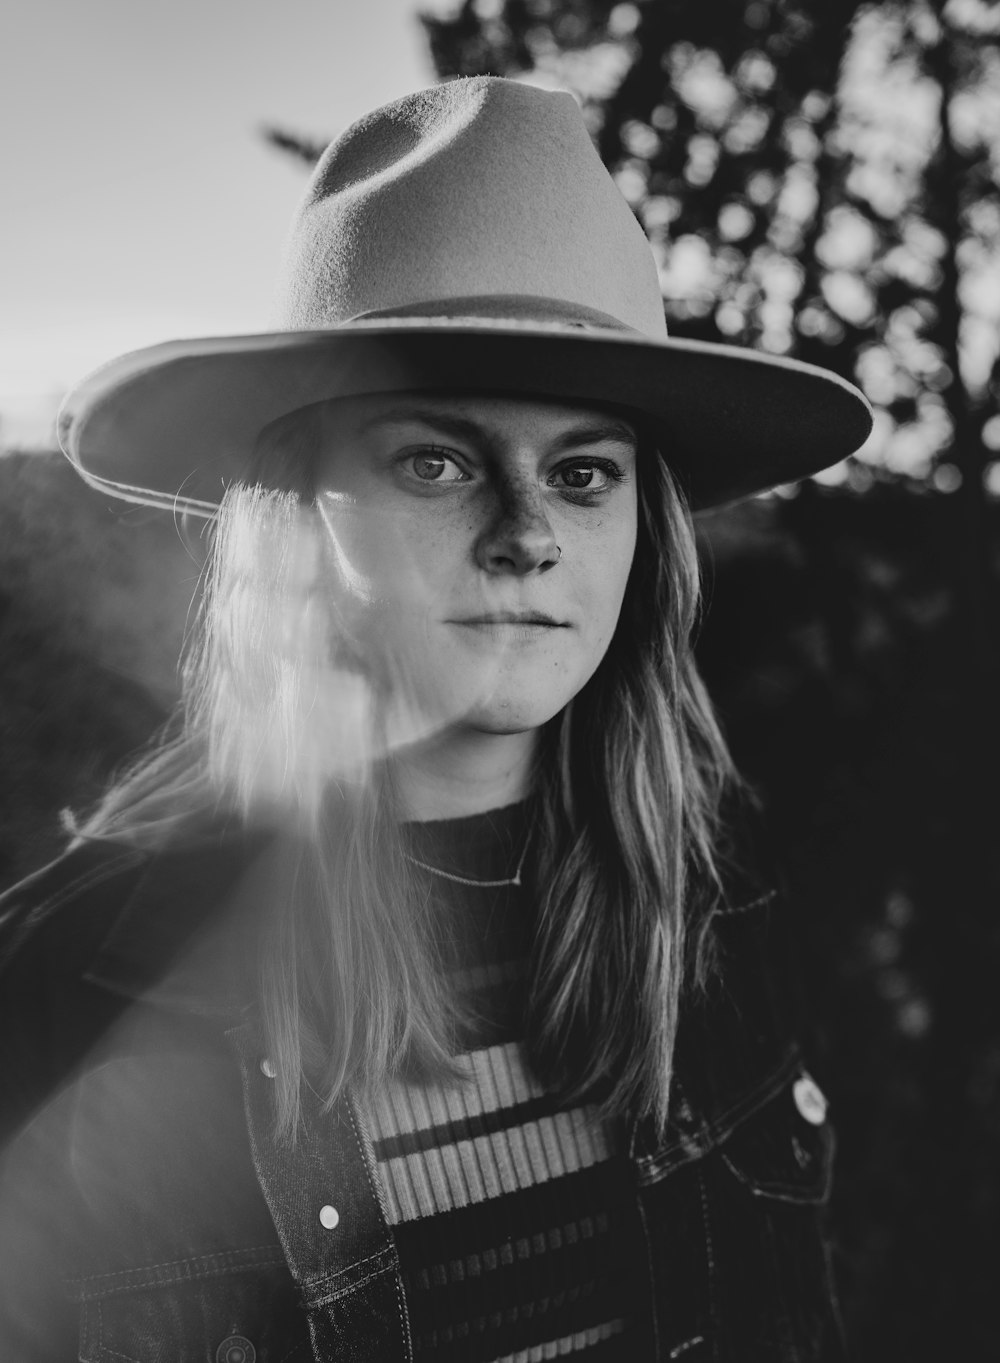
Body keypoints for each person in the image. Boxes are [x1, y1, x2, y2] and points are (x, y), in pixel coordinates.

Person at [0, 77, 871, 1361]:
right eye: (438, 461)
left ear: (645, 534)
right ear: (298, 512)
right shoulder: (67, 988)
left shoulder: (715, 912)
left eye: (583, 475)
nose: (526, 535)